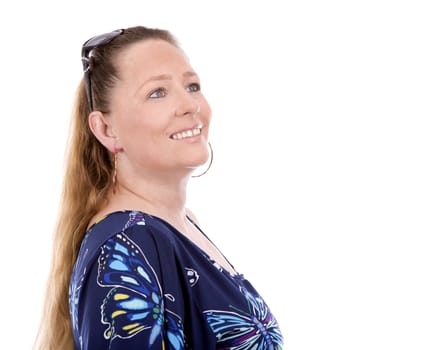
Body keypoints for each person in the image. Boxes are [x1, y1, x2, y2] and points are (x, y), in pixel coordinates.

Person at [35, 26, 283, 350]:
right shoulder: (130, 242)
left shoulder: (176, 225)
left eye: (192, 86)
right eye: (157, 93)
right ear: (106, 129)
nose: (189, 105)